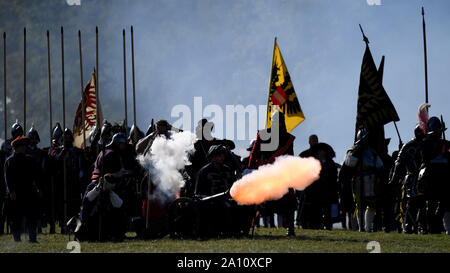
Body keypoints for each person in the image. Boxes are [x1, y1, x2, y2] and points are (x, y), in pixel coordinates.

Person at [248, 111, 297, 236]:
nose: (277, 124)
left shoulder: (288, 138)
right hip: (266, 171)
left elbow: (290, 156)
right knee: (257, 199)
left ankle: (290, 228)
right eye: (274, 121)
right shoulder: (263, 134)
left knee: (289, 200)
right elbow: (254, 153)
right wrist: (252, 167)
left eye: (279, 121)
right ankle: (250, 225)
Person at [195, 145, 253, 237]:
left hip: (227, 199)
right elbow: (199, 193)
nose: (222, 157)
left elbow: (233, 186)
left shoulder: (227, 169)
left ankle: (239, 230)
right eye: (219, 155)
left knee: (245, 205)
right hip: (210, 201)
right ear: (212, 157)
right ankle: (227, 231)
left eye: (222, 155)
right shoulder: (204, 171)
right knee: (222, 207)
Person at [342, 128, 384, 232]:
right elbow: (349, 163)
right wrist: (357, 152)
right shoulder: (352, 151)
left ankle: (368, 227)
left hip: (371, 180)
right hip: (358, 180)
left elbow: (379, 165)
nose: (366, 140)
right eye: (364, 139)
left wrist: (379, 174)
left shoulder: (372, 152)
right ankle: (361, 228)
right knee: (360, 205)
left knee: (371, 204)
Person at [416, 116, 450, 234]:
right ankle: (430, 228)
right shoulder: (425, 143)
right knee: (430, 203)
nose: (439, 134)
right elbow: (425, 159)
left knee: (446, 203)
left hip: (445, 175)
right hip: (431, 175)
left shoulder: (446, 143)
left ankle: (446, 229)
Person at [389, 125, 425, 234]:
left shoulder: (426, 144)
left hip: (425, 178)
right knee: (412, 203)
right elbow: (398, 163)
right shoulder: (408, 146)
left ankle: (421, 226)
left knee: (423, 203)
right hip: (412, 178)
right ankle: (408, 226)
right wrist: (394, 178)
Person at [4, 136, 41, 242]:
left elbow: (35, 176)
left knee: (31, 217)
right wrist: (11, 191)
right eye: (23, 146)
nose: (25, 148)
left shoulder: (29, 160)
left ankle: (32, 238)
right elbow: (7, 178)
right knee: (16, 218)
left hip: (29, 192)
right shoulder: (9, 161)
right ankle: (17, 238)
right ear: (17, 148)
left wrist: (38, 188)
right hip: (16, 193)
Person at [299, 141, 338, 230]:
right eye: (319, 151)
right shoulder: (314, 162)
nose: (320, 152)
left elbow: (333, 177)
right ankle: (314, 225)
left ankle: (327, 225)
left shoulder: (330, 163)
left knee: (327, 209)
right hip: (314, 190)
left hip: (327, 190)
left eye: (322, 151)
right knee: (315, 209)